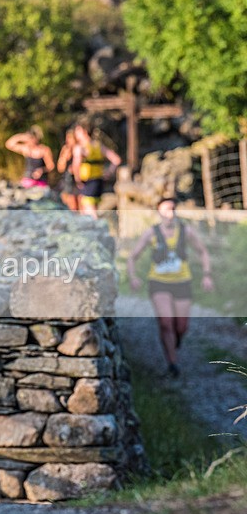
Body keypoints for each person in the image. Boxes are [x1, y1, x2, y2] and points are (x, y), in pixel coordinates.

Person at [127, 197, 214, 378]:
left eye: (173, 209)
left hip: (182, 282)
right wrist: (133, 277)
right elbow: (132, 256)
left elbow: (203, 251)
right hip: (158, 282)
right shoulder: (151, 233)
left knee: (181, 326)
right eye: (166, 209)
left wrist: (207, 275)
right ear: (158, 212)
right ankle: (173, 364)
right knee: (166, 322)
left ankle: (176, 339)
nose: (170, 213)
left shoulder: (186, 231)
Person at [72, 122, 121, 219]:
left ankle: (96, 226)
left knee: (89, 210)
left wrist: (77, 179)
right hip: (98, 181)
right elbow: (116, 160)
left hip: (87, 181)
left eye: (78, 131)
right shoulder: (98, 145)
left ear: (84, 132)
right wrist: (109, 172)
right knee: (91, 208)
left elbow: (76, 165)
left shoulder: (80, 148)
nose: (75, 134)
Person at [57, 126, 79, 211]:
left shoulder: (79, 148)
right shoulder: (65, 149)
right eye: (67, 138)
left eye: (70, 138)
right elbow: (60, 169)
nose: (68, 140)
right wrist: (63, 158)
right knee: (69, 202)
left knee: (78, 202)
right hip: (67, 179)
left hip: (77, 179)